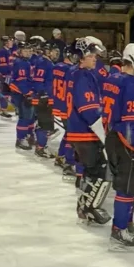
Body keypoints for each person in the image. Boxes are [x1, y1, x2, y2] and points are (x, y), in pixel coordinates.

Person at [102, 43, 134, 250]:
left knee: (124, 184)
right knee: (126, 187)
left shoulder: (112, 77)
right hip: (123, 139)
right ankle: (119, 229)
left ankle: (126, 223)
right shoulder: (133, 85)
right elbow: (130, 121)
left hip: (111, 136)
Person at [66, 38, 111, 225]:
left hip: (79, 132)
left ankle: (85, 205)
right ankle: (89, 207)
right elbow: (88, 109)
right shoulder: (82, 76)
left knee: (92, 170)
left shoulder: (79, 73)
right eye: (91, 55)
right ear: (81, 58)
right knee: (99, 170)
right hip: (84, 133)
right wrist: (104, 133)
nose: (95, 59)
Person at [52, 41, 80, 175]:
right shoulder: (71, 70)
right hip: (67, 106)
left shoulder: (57, 66)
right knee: (71, 136)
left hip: (59, 104)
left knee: (69, 133)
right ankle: (68, 162)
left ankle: (61, 156)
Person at [31, 42, 58, 158]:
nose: (56, 53)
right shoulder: (43, 63)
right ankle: (40, 148)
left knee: (45, 123)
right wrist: (43, 94)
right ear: (48, 51)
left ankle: (41, 145)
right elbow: (38, 80)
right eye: (53, 51)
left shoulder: (47, 62)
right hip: (43, 98)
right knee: (45, 124)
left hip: (46, 97)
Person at [10, 41, 35, 150]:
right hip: (21, 94)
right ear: (20, 51)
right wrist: (27, 93)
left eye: (29, 51)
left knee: (30, 116)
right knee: (25, 117)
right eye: (25, 50)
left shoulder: (25, 62)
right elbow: (21, 81)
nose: (28, 53)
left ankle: (28, 136)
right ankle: (21, 139)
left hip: (23, 93)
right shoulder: (21, 63)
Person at [0, 35, 15, 118]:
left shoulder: (8, 51)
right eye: (11, 41)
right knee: (5, 93)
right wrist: (6, 74)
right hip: (5, 76)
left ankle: (3, 108)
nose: (12, 43)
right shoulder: (2, 52)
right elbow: (2, 65)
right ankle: (3, 109)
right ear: (6, 43)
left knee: (7, 93)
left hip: (8, 75)